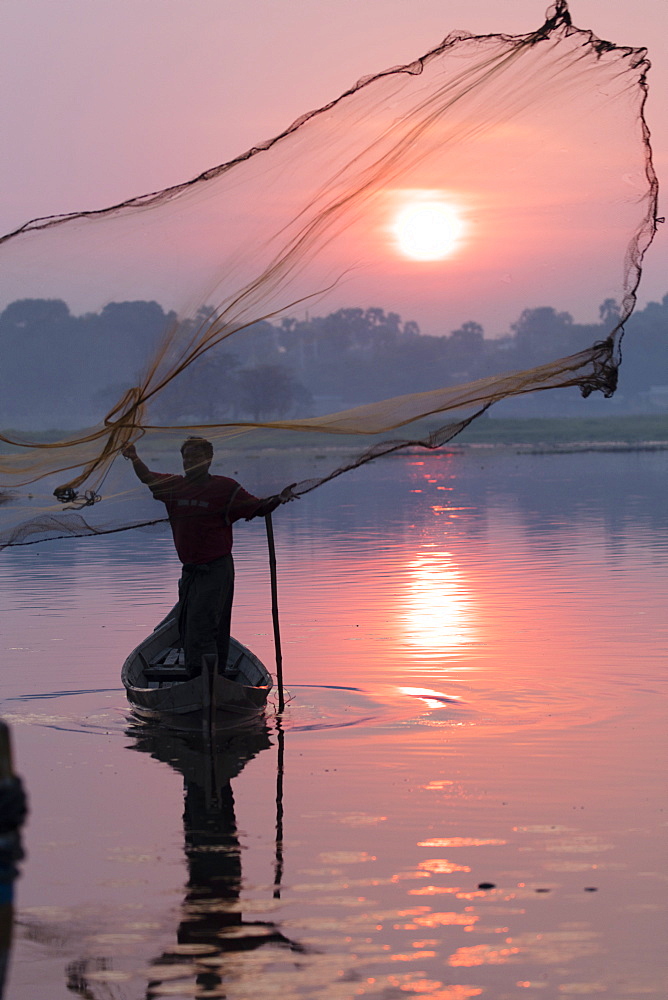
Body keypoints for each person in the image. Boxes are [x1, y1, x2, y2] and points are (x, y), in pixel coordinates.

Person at [122, 436, 295, 677]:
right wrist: (134, 458)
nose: (190, 461)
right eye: (186, 457)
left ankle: (209, 678)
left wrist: (278, 499)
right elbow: (148, 477)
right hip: (190, 571)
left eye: (196, 457)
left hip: (216, 569)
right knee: (188, 625)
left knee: (207, 625)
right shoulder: (174, 486)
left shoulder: (225, 488)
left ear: (209, 459)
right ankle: (199, 678)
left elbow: (258, 507)